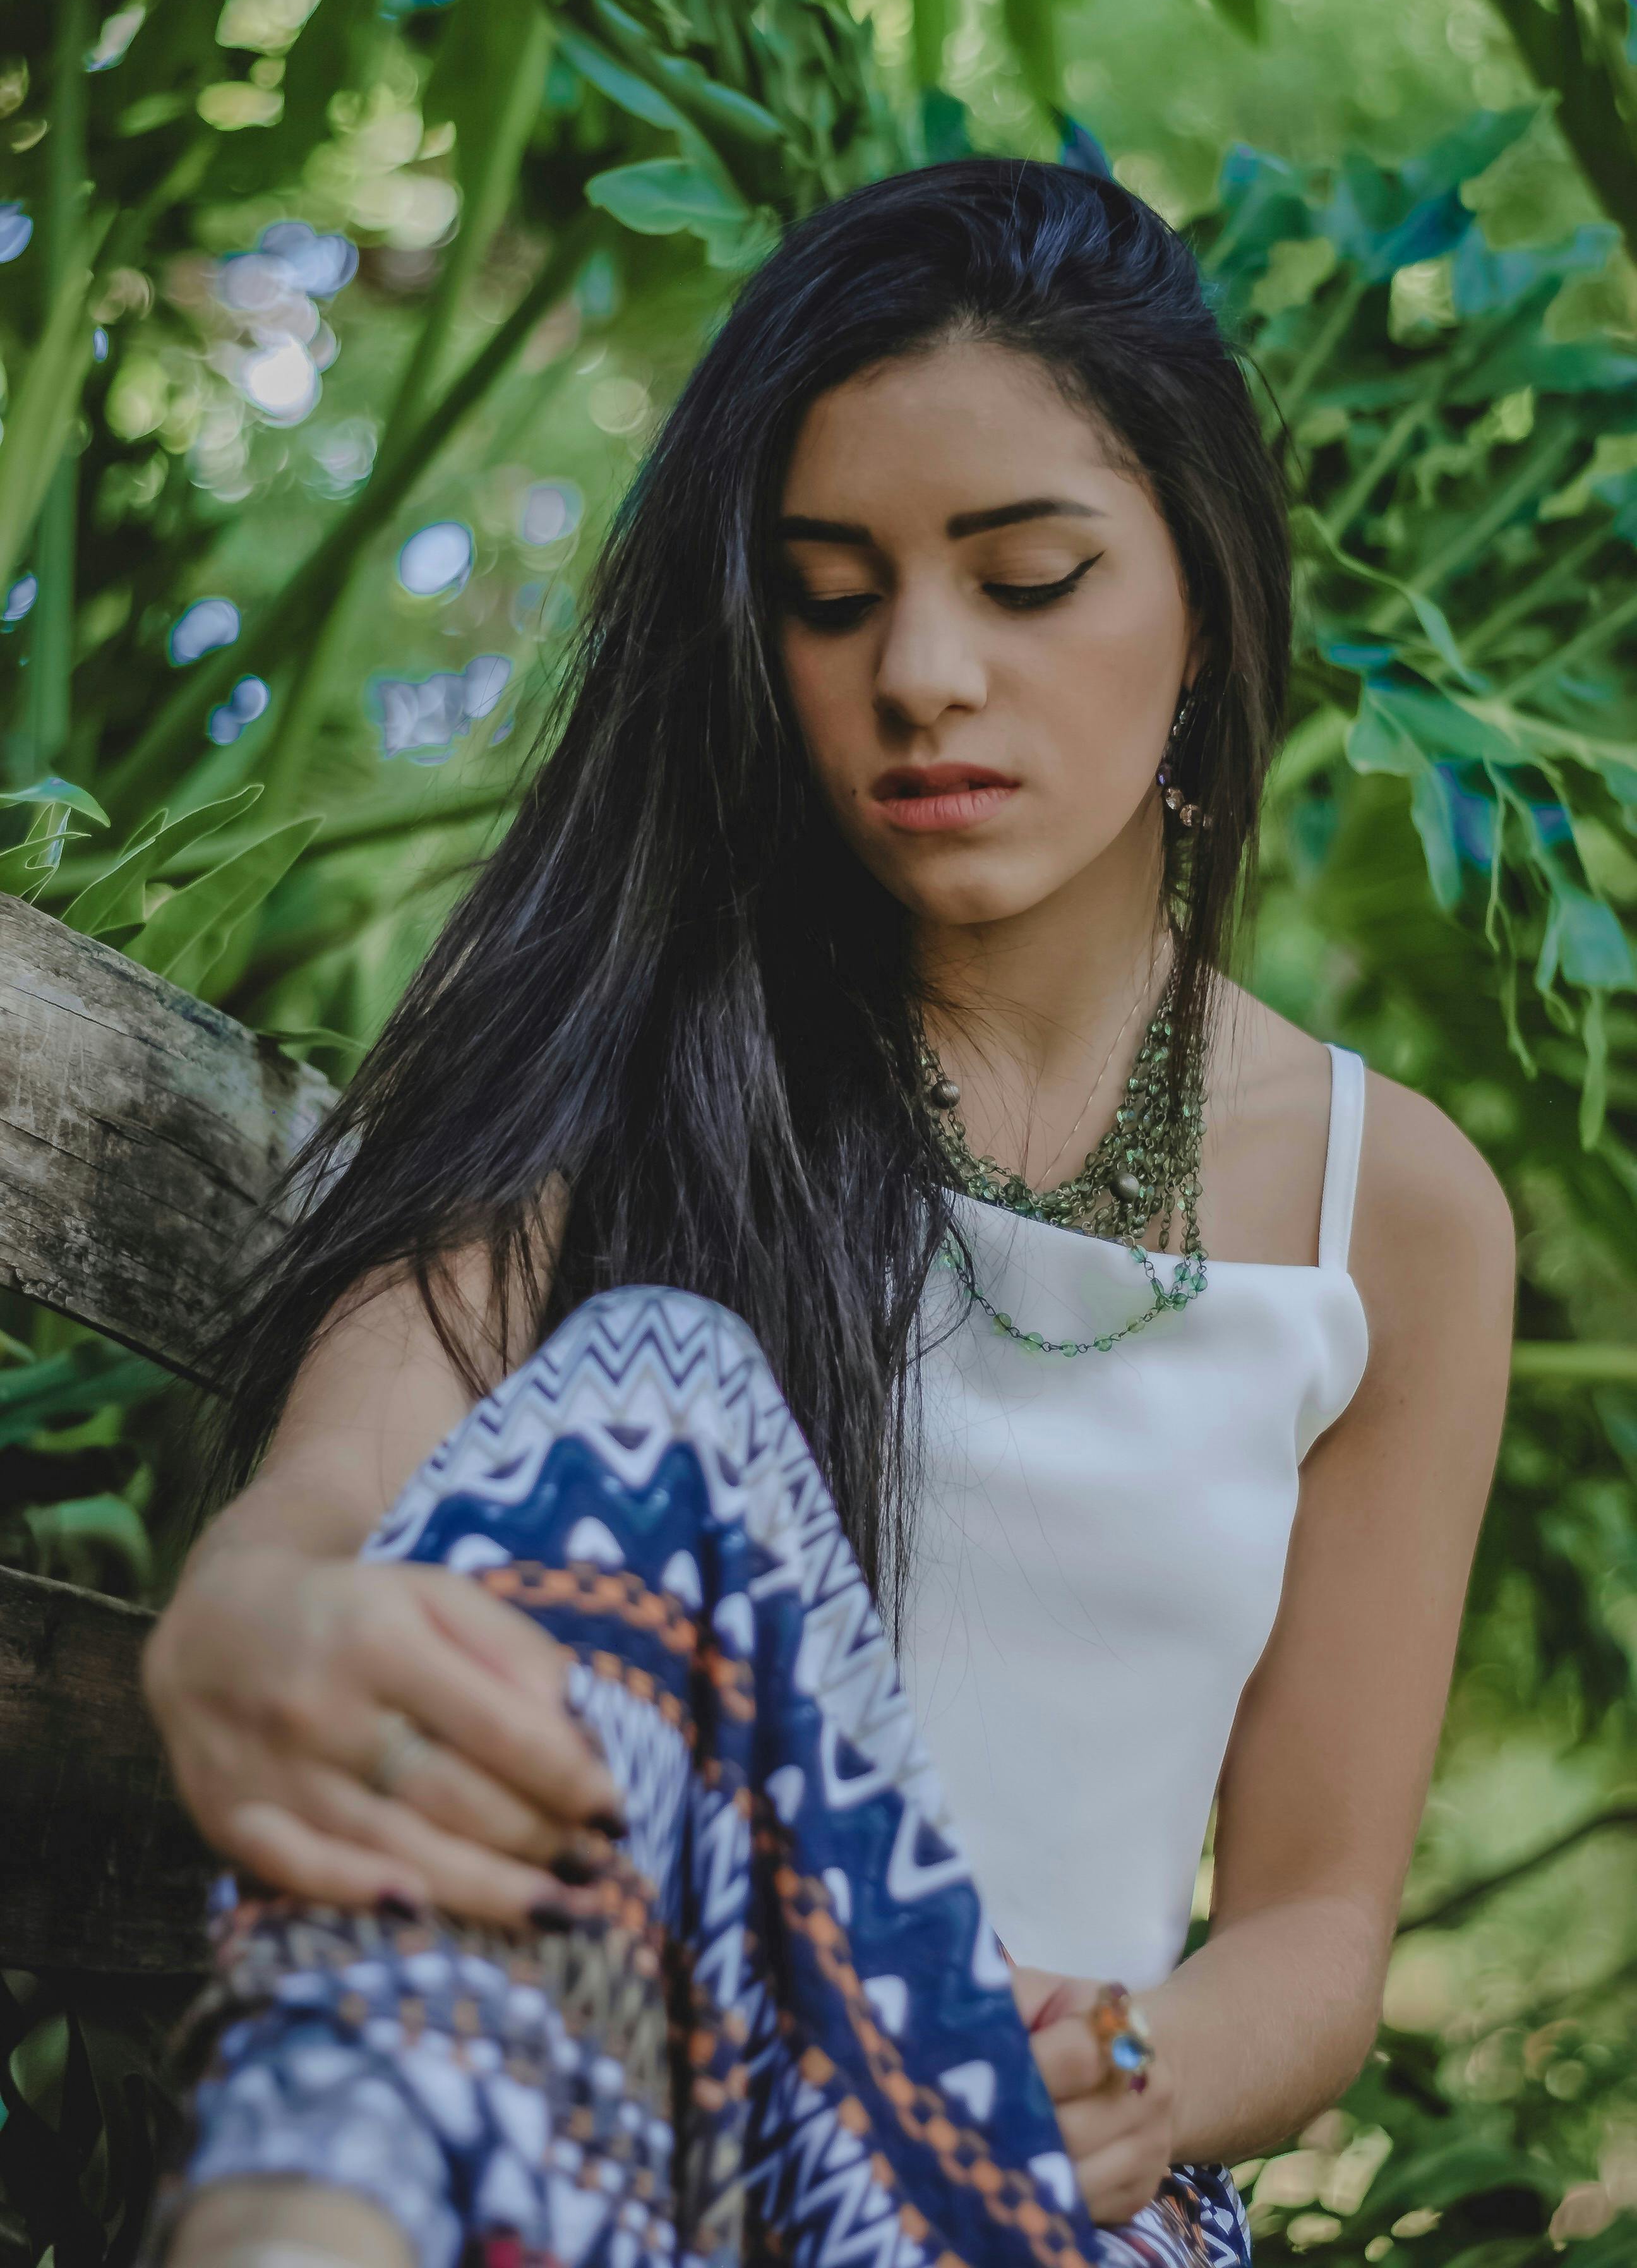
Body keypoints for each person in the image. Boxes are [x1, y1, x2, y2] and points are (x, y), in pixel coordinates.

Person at [140, 157, 1514, 2268]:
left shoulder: (1389, 1209)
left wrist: (1126, 2070)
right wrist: (256, 1599)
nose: (924, 674)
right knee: (660, 1400)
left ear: (1207, 609)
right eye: (830, 594)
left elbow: (1322, 1926)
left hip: (1029, 2176)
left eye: (1030, 580)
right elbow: (355, 1465)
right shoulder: (616, 1039)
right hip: (610, 2074)